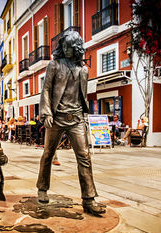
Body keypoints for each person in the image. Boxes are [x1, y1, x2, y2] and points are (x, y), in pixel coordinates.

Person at [36, 31, 105, 215]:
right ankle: (42, 188)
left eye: (69, 47)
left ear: (76, 49)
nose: (66, 50)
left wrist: (83, 117)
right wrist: (46, 112)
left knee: (84, 157)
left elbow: (82, 96)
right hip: (56, 117)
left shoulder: (83, 70)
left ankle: (89, 200)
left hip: (76, 119)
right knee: (48, 153)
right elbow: (46, 90)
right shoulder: (54, 65)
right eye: (64, 46)